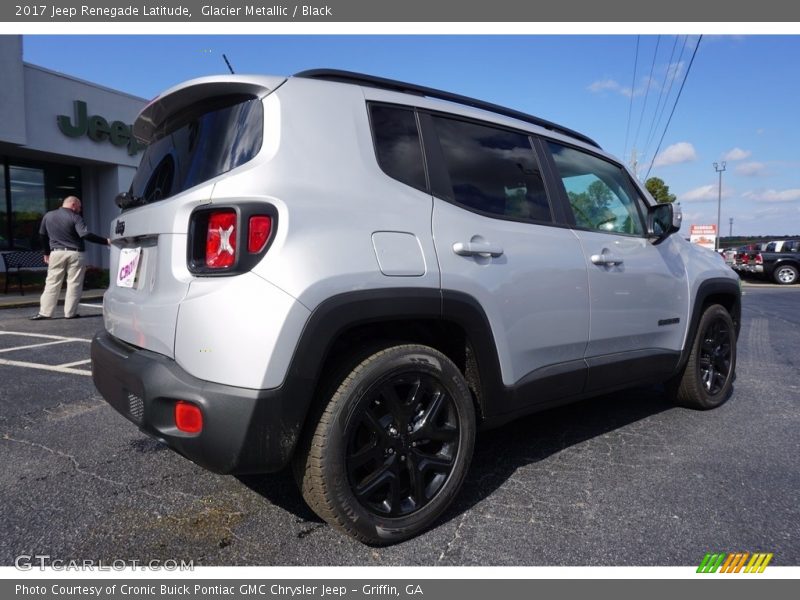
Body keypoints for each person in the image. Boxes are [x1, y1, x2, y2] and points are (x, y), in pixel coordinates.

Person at [30, 196, 110, 320]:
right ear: (73, 204)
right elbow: (85, 234)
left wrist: (46, 253)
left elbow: (42, 235)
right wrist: (106, 241)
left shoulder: (48, 216)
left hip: (56, 253)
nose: (80, 209)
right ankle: (70, 313)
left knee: (52, 283)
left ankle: (45, 313)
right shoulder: (75, 217)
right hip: (75, 253)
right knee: (74, 283)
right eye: (79, 206)